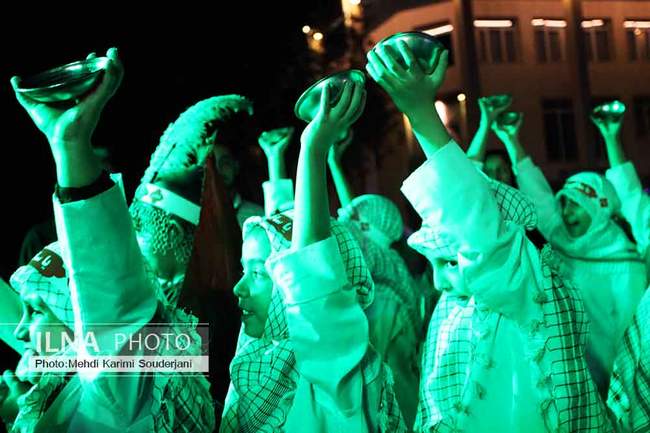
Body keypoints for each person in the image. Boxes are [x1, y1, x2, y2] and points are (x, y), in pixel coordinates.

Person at [366, 38, 612, 432]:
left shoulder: (528, 290)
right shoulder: (454, 307)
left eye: (452, 261)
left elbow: (477, 225)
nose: (437, 281)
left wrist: (419, 111)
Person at [6, 47, 214, 433]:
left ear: (81, 315)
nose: (18, 331)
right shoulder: (64, 381)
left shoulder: (117, 389)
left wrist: (70, 145)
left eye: (34, 311)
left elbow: (111, 296)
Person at [220, 78, 406, 432]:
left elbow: (311, 276)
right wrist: (279, 159)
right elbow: (286, 230)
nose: (237, 288)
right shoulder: (262, 357)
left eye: (259, 273)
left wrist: (314, 148)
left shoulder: (332, 369)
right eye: (245, 271)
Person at [491, 98, 647, 397]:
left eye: (577, 206)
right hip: (568, 376)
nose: (566, 214)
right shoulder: (562, 236)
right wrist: (512, 141)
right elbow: (538, 196)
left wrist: (623, 394)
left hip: (615, 382)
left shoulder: (625, 264)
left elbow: (631, 334)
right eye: (564, 204)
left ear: (599, 209)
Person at [328, 131, 422, 429]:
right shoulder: (391, 265)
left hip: (393, 393)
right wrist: (333, 161)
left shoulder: (378, 278)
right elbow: (353, 219)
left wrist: (325, 158)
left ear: (367, 230)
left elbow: (347, 224)